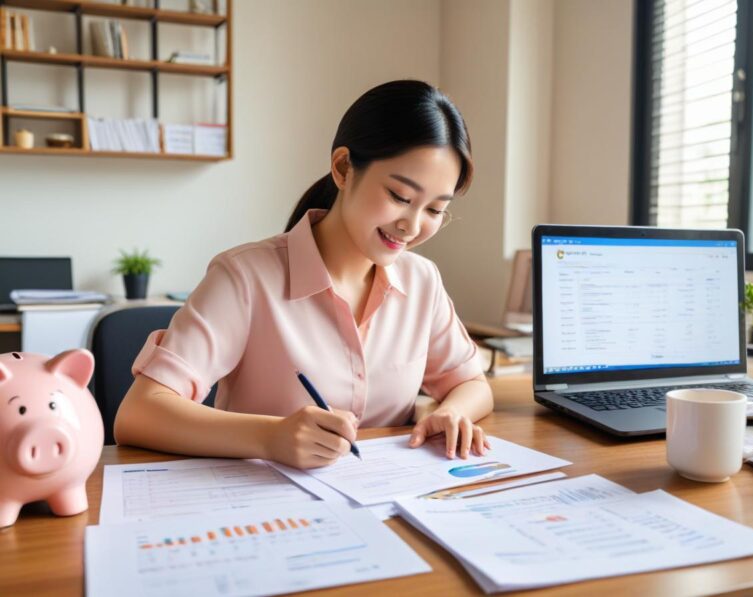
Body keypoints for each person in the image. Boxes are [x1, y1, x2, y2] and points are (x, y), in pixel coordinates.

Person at [114, 80, 494, 469]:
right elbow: (140, 413)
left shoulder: (422, 281)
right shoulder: (245, 276)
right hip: (266, 509)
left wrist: (454, 412)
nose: (411, 226)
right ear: (344, 168)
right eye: (399, 197)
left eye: (434, 210)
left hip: (383, 505)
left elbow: (471, 384)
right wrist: (270, 437)